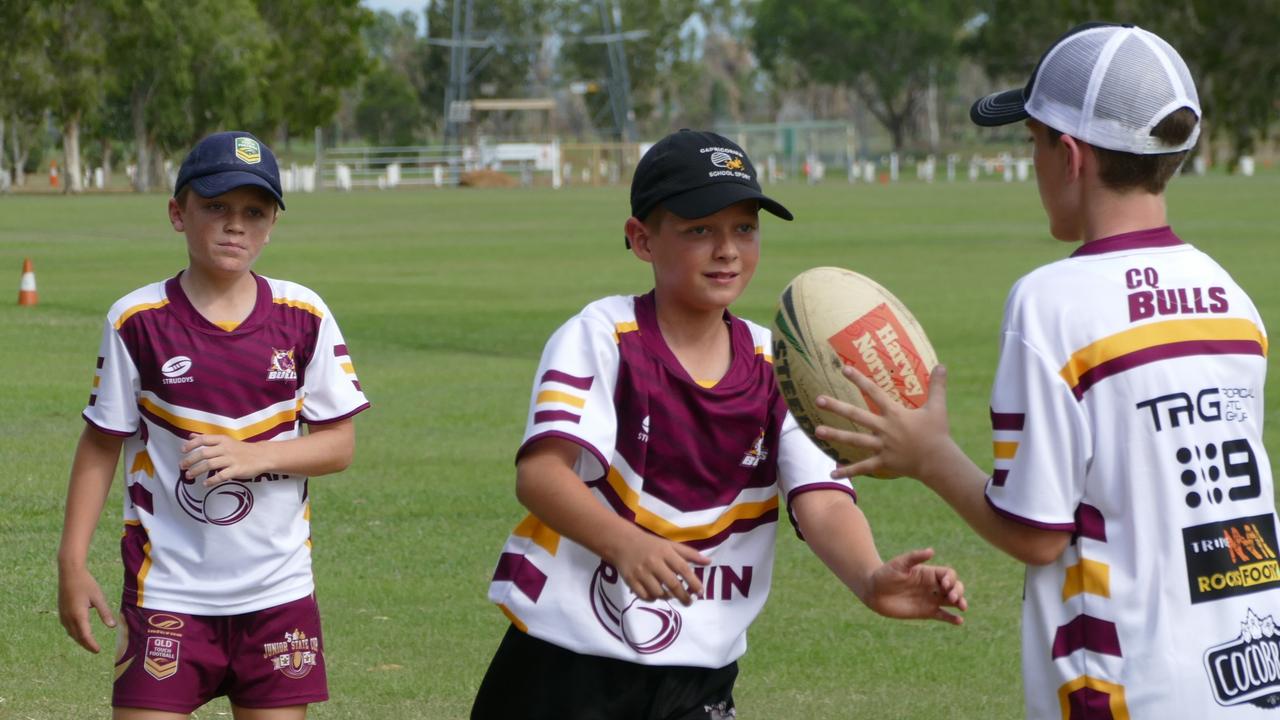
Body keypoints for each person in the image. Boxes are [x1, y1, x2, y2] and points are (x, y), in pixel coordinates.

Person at [815, 23, 1280, 718]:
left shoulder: (1050, 304)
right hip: (1252, 676)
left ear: (1069, 155)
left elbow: (1038, 532)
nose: (1032, 161)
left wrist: (929, 455)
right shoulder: (1232, 301)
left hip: (1130, 689)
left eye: (1031, 141)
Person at [471, 129, 967, 720]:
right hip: (563, 661)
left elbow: (824, 500)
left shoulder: (780, 363)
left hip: (697, 674)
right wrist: (626, 544)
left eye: (744, 228)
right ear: (641, 238)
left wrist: (869, 577)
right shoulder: (601, 337)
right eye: (699, 229)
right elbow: (542, 475)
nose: (727, 249)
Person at [56, 131, 370, 720]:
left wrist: (254, 455)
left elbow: (339, 446)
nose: (235, 226)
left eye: (254, 212)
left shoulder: (304, 315)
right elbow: (101, 444)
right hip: (166, 594)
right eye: (216, 207)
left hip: (277, 595)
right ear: (178, 213)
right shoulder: (137, 320)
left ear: (272, 223)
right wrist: (71, 564)